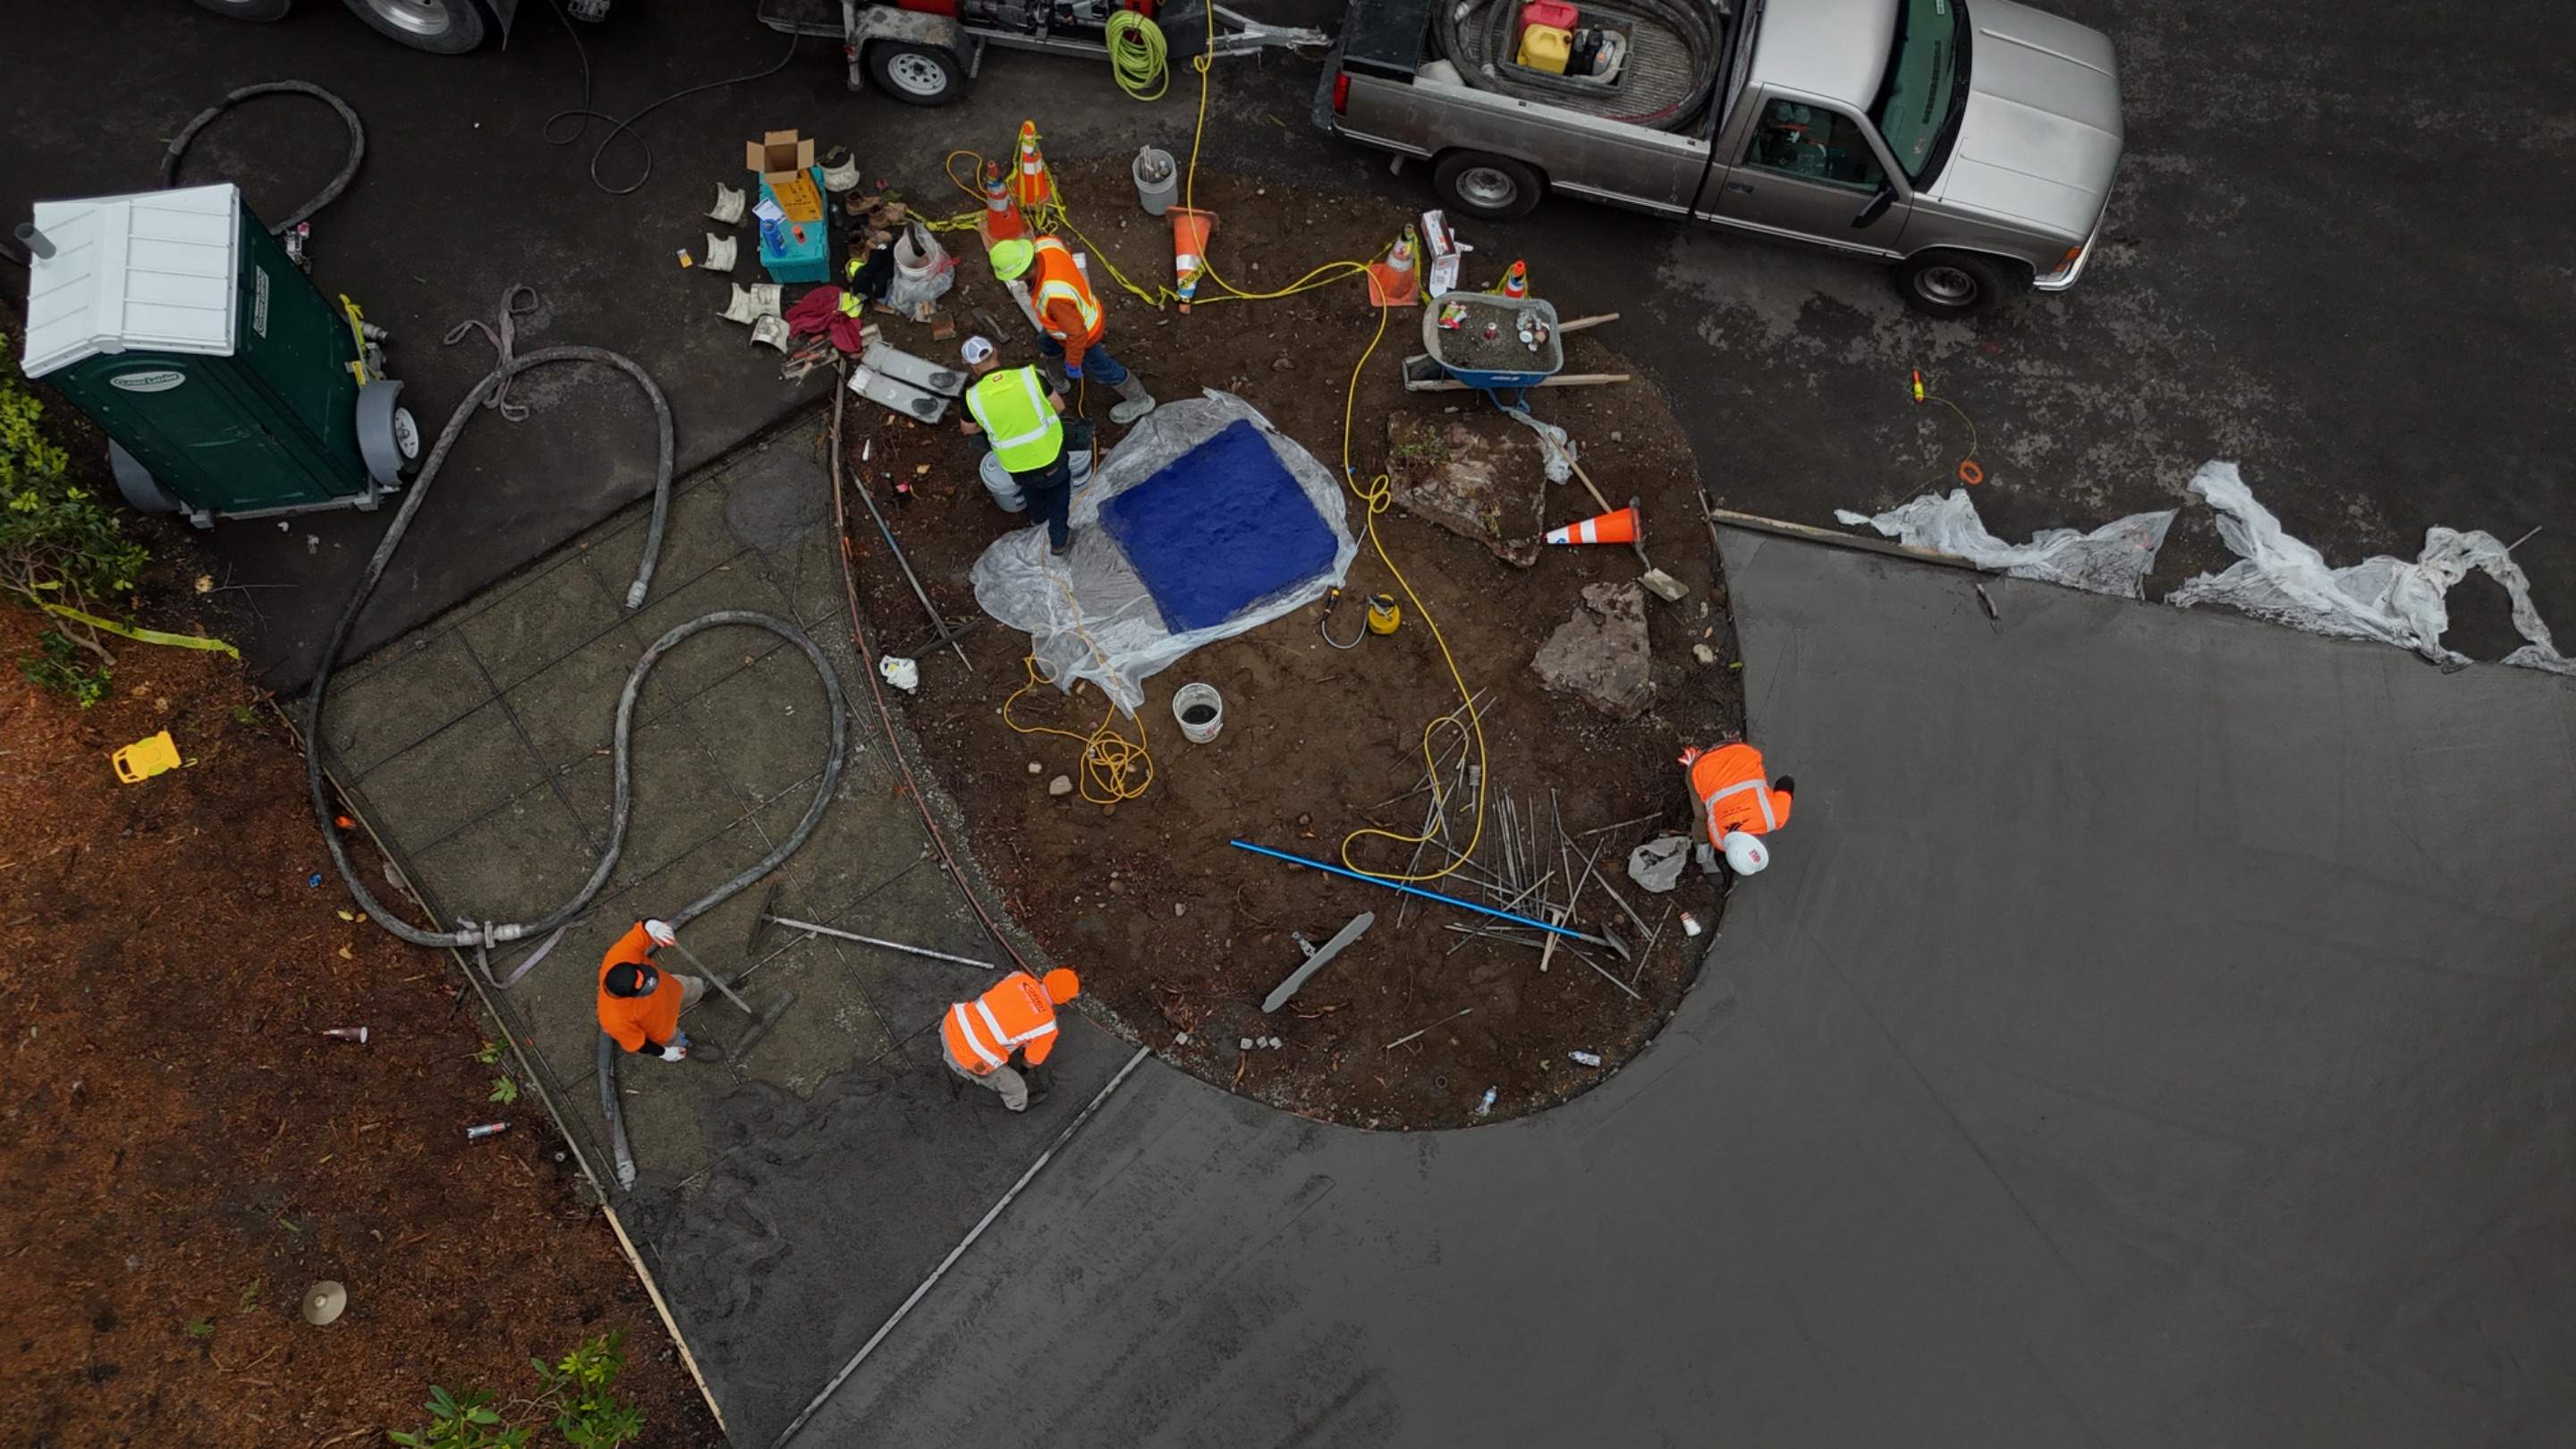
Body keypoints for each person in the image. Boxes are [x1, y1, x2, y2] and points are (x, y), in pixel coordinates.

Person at [987, 235, 1157, 425]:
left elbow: (1077, 334)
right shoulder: (1044, 245)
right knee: (1046, 342)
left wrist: (1073, 362)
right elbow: (1063, 250)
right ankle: (1057, 380)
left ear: (1020, 274)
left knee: (1101, 368)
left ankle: (1140, 400)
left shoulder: (1052, 295)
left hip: (1086, 334)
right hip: (1068, 321)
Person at [958, 362, 1085, 556]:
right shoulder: (1028, 377)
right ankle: (1058, 540)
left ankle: (1038, 518)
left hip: (1016, 465)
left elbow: (968, 429)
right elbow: (1059, 406)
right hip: (1050, 457)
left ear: (973, 368)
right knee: (1059, 496)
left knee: (1030, 489)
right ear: (995, 352)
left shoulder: (972, 397)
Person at [940, 967, 1082, 1112]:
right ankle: (1017, 1105)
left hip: (950, 1025)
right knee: (1016, 1087)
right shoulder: (1048, 1028)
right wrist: (1024, 1069)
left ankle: (948, 1055)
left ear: (1048, 976)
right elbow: (1031, 1061)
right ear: (1063, 1000)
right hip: (971, 1058)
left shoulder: (1017, 977)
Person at [596, 918, 707, 1063]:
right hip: (663, 1028)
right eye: (646, 988)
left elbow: (643, 929)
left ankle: (703, 989)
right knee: (675, 1039)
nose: (653, 984)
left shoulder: (620, 954)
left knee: (693, 987)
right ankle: (686, 1044)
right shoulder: (613, 1020)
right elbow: (639, 1043)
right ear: (630, 996)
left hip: (674, 988)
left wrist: (653, 925)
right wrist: (663, 1052)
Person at [1679, 741, 1794, 877]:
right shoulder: (1718, 839)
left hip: (1739, 750)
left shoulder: (1776, 816)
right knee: (1702, 818)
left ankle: (1704, 854)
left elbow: (1786, 781)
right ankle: (1703, 852)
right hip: (1700, 766)